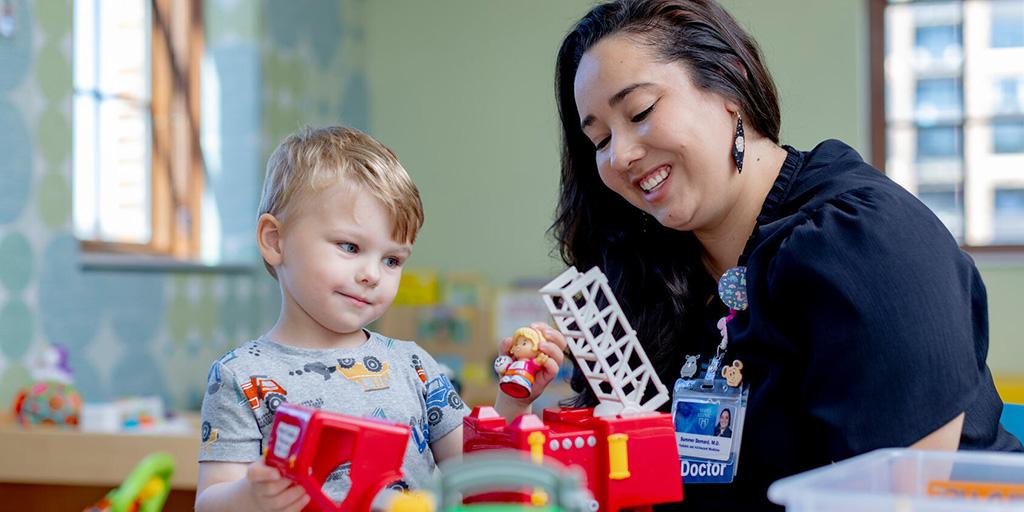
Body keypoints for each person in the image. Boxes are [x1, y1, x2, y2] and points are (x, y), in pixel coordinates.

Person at [548, 0, 1024, 509]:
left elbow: (901, 499)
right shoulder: (653, 271)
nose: (619, 156)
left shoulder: (863, 242)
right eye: (598, 139)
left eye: (640, 111)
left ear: (728, 83)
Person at [195, 126, 480, 511]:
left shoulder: (415, 365)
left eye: (392, 260)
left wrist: (514, 400)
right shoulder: (240, 377)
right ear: (275, 240)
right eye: (350, 247)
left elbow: (479, 469)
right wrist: (249, 496)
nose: (372, 274)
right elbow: (210, 501)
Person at [496, 327, 551, 398]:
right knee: (508, 378)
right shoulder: (514, 362)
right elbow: (507, 368)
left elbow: (534, 365)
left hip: (523, 376)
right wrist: (503, 367)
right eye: (516, 344)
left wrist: (539, 360)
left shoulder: (528, 363)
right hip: (511, 375)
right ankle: (508, 380)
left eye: (524, 343)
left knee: (519, 379)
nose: (518, 346)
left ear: (536, 348)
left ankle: (522, 383)